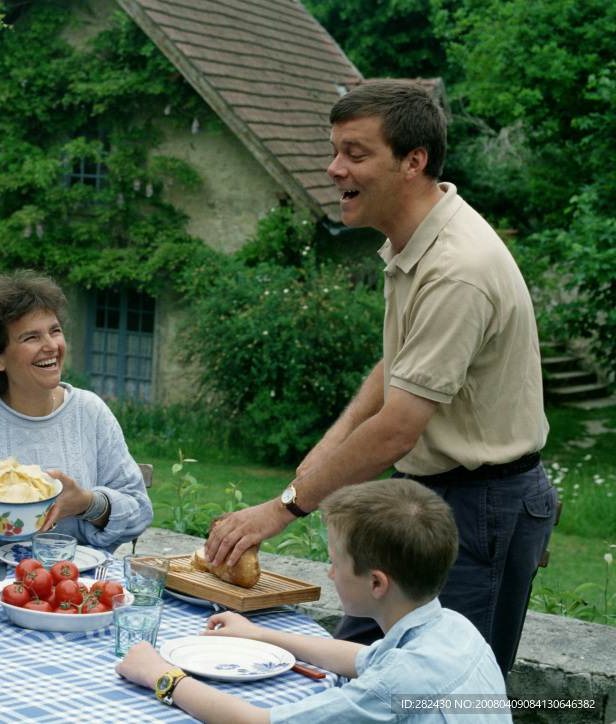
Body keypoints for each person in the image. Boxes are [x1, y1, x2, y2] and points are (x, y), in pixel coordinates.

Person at [204, 79, 557, 676]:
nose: (333, 167)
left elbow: (398, 427)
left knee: (443, 692)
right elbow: (397, 367)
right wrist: (324, 455)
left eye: (355, 153)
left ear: (413, 162)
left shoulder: (456, 268)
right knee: (358, 670)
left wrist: (283, 507)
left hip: (483, 508)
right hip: (423, 496)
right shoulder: (414, 243)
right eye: (335, 149)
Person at [117, 478, 510, 723]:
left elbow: (256, 722)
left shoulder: (393, 687)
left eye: (336, 563)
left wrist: (160, 675)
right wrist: (259, 634)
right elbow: (359, 658)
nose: (330, 573)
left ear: (377, 583)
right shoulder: (458, 631)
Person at [0, 270, 152, 551]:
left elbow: (140, 510)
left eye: (55, 331)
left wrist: (88, 504)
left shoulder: (90, 413)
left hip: (73, 585)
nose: (52, 346)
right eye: (32, 337)